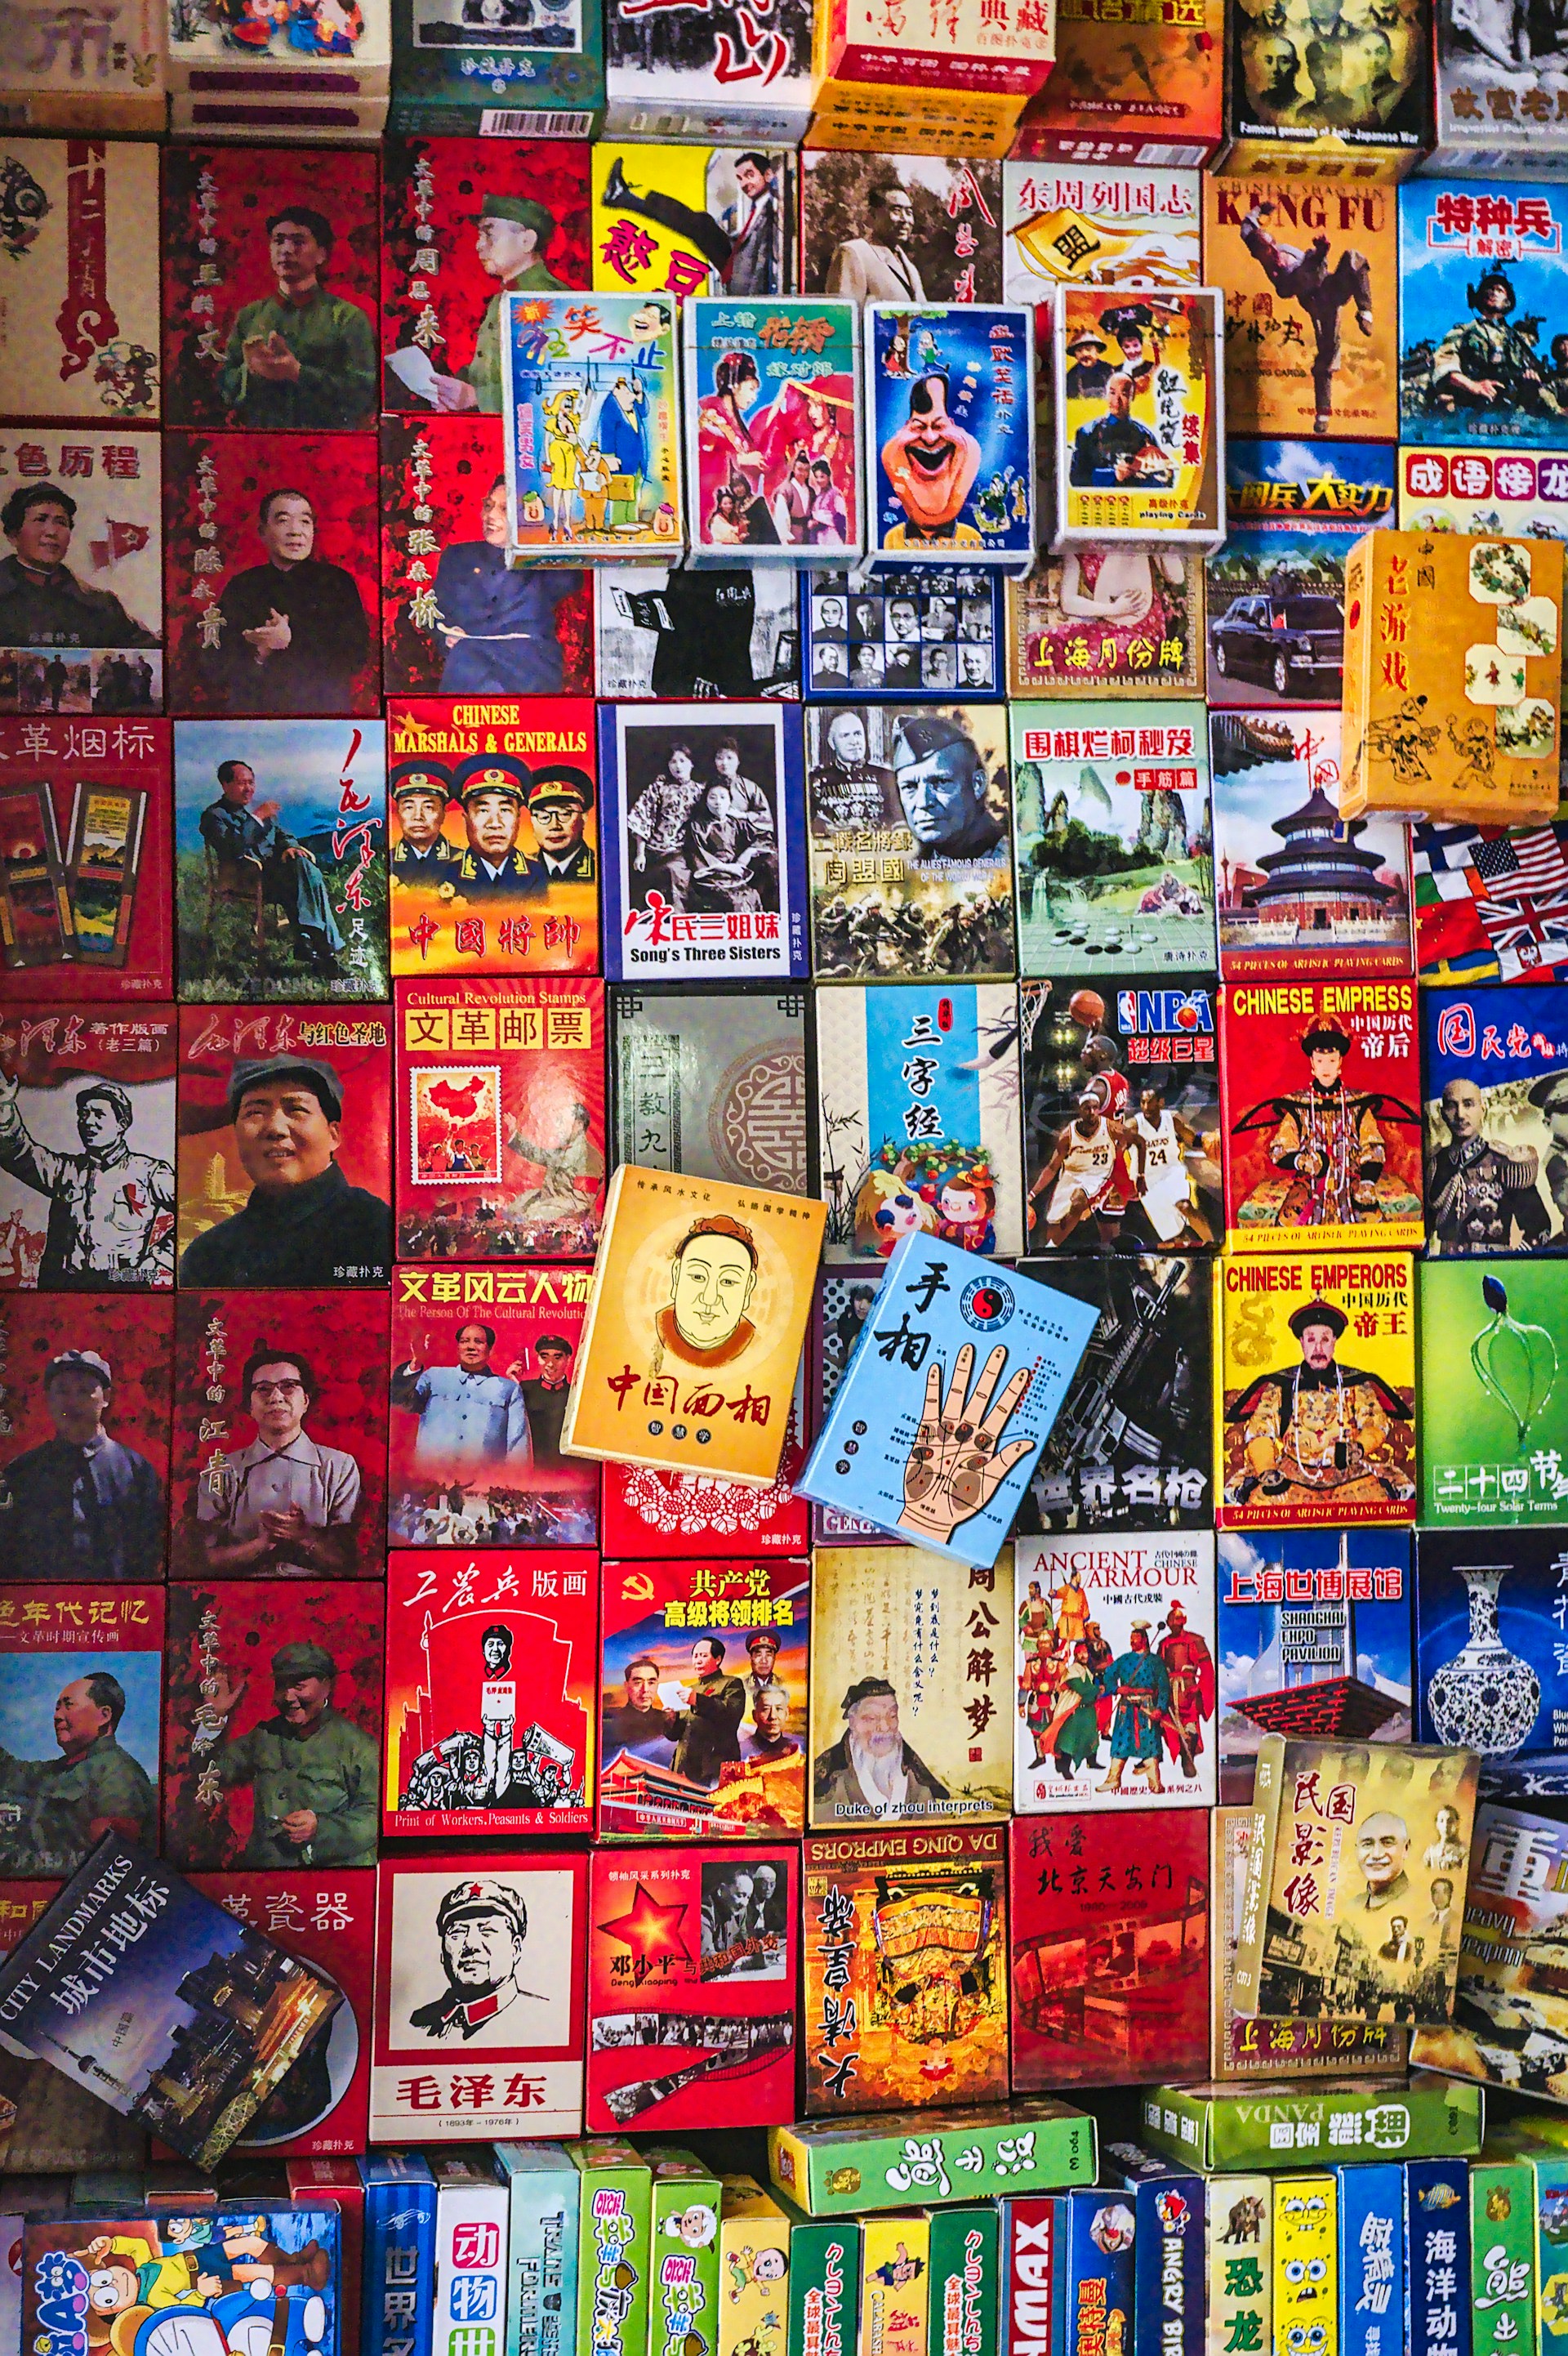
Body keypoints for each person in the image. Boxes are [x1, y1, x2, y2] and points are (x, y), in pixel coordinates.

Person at [177, 1052, 390, 1287]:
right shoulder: (208, 1255)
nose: (275, 1128)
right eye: (255, 1113)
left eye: (296, 1109)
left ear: (334, 1135)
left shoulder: (379, 1231)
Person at [191, 1638, 378, 1868]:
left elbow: (375, 1819)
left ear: (326, 1685)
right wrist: (214, 1719)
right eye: (281, 1686)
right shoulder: (264, 1737)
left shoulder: (358, 1746)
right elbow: (208, 1776)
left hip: (329, 1880)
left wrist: (321, 1828)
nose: (288, 1697)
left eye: (299, 1686)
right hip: (265, 1883)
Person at [1226, 1296, 1414, 1510]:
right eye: (1311, 1339)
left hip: (1349, 1478)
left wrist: (1359, 1448)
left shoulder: (1356, 1384)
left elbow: (1374, 1425)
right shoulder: (1280, 1386)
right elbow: (1261, 1432)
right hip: (1291, 1476)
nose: (1318, 1348)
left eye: (1325, 1340)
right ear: (1302, 1343)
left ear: (1334, 1341)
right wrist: (1267, 1469)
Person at [196, 1341, 361, 1577]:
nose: (276, 1397)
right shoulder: (221, 1470)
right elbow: (202, 1560)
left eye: (288, 1386)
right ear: (249, 1406)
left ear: (305, 1400)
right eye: (263, 1389)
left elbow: (348, 1561)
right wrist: (260, 1545)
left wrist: (304, 1536)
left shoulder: (340, 1467)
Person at [0, 1348, 164, 1582]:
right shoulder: (22, 1473)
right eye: (63, 1391)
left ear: (106, 1397)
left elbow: (149, 1556)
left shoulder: (136, 1471)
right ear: (48, 1398)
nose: (73, 1402)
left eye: (85, 1391)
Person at [0, 1069, 174, 1287]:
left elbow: (189, 1210)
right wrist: (3, 1107)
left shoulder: (149, 1172)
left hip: (123, 1287)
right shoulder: (63, 1170)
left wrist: (161, 1258)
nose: (88, 1121)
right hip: (63, 1288)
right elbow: (18, 1153)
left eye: (99, 1114)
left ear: (122, 1124)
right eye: (83, 1113)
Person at [204, 489, 371, 714]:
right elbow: (216, 666)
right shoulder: (242, 586)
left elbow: (356, 657)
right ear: (263, 532)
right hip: (254, 717)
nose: (296, 531)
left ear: (313, 531)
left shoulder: (337, 583)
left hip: (321, 715)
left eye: (305, 522)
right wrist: (261, 652)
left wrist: (291, 639)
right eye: (283, 521)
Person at [217, 205, 376, 430]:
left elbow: (364, 392)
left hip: (327, 444)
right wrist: (251, 372)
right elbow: (225, 387)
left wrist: (298, 373)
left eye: (298, 242)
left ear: (321, 254)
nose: (286, 250)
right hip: (261, 444)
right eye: (278, 241)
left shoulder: (347, 318)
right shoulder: (250, 316)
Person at [1240, 1017, 1396, 1232]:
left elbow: (1374, 1148)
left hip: (1351, 1184)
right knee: (1286, 1230)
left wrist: (1368, 1182)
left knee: (1377, 1229)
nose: (1326, 1067)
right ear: (1311, 1062)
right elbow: (1279, 1150)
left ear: (1340, 1062)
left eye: (1332, 1061)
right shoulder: (1299, 1106)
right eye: (1320, 1060)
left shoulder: (1357, 1105)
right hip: (1309, 1186)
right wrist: (1301, 1161)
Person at [197, 756, 346, 979]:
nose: (249, 789)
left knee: (302, 865)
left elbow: (284, 835)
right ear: (225, 785)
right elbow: (233, 849)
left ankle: (312, 945)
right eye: (241, 783)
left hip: (273, 879)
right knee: (305, 877)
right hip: (244, 879)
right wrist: (257, 818)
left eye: (251, 783)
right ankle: (320, 948)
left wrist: (291, 847)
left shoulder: (255, 814)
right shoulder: (214, 816)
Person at [431, 475, 582, 694]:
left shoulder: (544, 559)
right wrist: (447, 635)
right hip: (470, 657)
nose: (490, 516)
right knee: (466, 663)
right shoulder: (458, 556)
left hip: (528, 662)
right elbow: (434, 610)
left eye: (504, 509)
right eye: (488, 506)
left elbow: (572, 580)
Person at [1237, 201, 1374, 435]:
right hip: (1318, 303)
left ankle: (1365, 311)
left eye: (1270, 248)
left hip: (1331, 288)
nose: (1271, 255)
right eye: (1265, 253)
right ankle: (1323, 415)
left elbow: (1247, 229)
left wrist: (1260, 211)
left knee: (1354, 258)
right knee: (1327, 355)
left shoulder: (1277, 249)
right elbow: (1306, 275)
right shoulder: (1282, 276)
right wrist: (1319, 253)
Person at [0, 1671, 155, 1875]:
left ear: (104, 1715)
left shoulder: (117, 1773)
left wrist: (17, 1863)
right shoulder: (58, 1771)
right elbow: (10, 1772)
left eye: (68, 1705)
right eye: (57, 1707)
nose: (57, 1716)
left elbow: (110, 1864)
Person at [426, 196, 568, 414]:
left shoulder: (548, 299)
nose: (479, 245)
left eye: (489, 235)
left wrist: (475, 396)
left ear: (526, 241)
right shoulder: (507, 295)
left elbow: (551, 382)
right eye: (480, 235)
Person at [0, 483, 158, 652]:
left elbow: (149, 650)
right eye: (40, 520)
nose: (52, 531)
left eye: (61, 522)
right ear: (13, 535)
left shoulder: (99, 605)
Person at [392, 1319, 533, 1479]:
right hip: (430, 1483)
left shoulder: (508, 1388)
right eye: (464, 1341)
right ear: (458, 1347)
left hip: (484, 1486)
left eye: (478, 1342)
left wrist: (513, 1486)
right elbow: (401, 1403)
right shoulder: (434, 1376)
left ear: (490, 1349)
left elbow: (518, 1446)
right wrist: (416, 1363)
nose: (470, 1347)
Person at [409, 1877, 549, 2038]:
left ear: (515, 1948)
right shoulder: (417, 2024)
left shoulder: (544, 2019)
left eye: (487, 1931)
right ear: (443, 1952)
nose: (471, 1945)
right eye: (458, 1932)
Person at [813, 1674, 951, 1820]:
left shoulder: (915, 1776)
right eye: (872, 1719)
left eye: (892, 1716)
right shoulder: (830, 1781)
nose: (885, 1727)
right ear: (853, 1722)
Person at [880, 374, 982, 550]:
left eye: (939, 426)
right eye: (918, 427)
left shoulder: (971, 538)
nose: (930, 438)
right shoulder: (892, 539)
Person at [892, 712, 1003, 863]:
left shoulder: (1011, 858)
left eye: (941, 783)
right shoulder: (914, 865)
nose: (924, 802)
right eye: (910, 787)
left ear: (977, 784)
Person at [657, 1214, 759, 1369]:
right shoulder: (653, 1331)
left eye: (728, 1281)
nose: (709, 1299)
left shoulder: (757, 1346)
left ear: (748, 1287)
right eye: (698, 1276)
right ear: (677, 1275)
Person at [449, 753, 545, 903]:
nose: (495, 823)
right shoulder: (445, 875)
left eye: (505, 810)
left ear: (518, 818)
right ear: (466, 819)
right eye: (483, 811)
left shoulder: (539, 874)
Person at [1098, 1621, 1175, 1795]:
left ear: (1145, 1640)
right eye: (1131, 1639)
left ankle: (1155, 1783)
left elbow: (1164, 1687)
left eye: (1136, 1639)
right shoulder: (1124, 1659)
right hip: (1126, 1709)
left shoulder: (1155, 1661)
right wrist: (1117, 1689)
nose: (1132, 1642)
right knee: (1120, 1743)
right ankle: (1113, 1780)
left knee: (1150, 1744)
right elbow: (1109, 1675)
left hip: (1147, 1707)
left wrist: (1160, 1709)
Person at [1068, 370, 1173, 489]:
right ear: (1106, 394)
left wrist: (1137, 475)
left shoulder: (1145, 437)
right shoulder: (1087, 432)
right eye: (1112, 393)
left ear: (1132, 397)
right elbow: (1077, 478)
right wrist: (1113, 475)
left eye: (1124, 394)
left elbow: (1164, 482)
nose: (1117, 400)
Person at [826, 182, 926, 303]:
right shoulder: (853, 253)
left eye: (909, 213)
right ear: (873, 215)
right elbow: (844, 315)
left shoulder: (910, 269)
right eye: (896, 211)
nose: (905, 219)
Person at [666, 1635, 746, 1786]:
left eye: (703, 1655)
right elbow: (676, 1734)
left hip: (712, 1767)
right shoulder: (689, 1690)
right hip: (683, 1767)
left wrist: (698, 1700)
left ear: (718, 1659)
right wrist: (670, 1721)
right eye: (695, 1656)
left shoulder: (731, 1684)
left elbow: (731, 1714)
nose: (698, 1660)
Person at [389, 756, 458, 889]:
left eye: (428, 807)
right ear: (398, 813)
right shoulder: (385, 861)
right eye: (409, 807)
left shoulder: (462, 861)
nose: (418, 817)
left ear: (443, 813)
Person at [521, 765, 596, 883]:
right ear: (532, 820)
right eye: (544, 816)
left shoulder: (599, 867)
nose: (554, 825)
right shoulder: (519, 873)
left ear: (584, 817)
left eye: (565, 814)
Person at [600, 1656, 678, 1765]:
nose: (645, 1690)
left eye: (651, 1683)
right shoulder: (610, 1722)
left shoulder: (668, 1720)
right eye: (637, 1683)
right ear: (626, 1686)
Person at [724, 154, 782, 297]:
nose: (744, 184)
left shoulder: (771, 210)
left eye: (749, 175)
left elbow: (762, 263)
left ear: (767, 175)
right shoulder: (752, 210)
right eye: (740, 179)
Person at [519, 1332, 574, 1470]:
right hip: (535, 1471)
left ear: (568, 1359)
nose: (550, 1364)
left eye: (558, 1357)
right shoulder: (524, 1389)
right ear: (537, 1358)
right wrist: (514, 1389)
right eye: (544, 1357)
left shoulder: (576, 1393)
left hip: (570, 1472)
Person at [1353, 1809, 1412, 1913]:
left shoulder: (1418, 1902)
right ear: (1357, 1850)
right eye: (1367, 1844)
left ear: (1405, 1848)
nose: (1377, 1855)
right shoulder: (1353, 1906)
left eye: (1387, 1843)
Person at [740, 1680, 800, 1765]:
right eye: (765, 1709)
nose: (773, 1716)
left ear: (786, 1714)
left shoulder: (799, 1748)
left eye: (779, 1709)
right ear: (755, 1715)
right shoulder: (741, 1751)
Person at [1063, 328, 1113, 400]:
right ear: (1075, 355)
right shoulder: (1072, 376)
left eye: (1089, 349)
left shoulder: (1108, 370)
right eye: (1079, 351)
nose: (1085, 354)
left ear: (1097, 351)